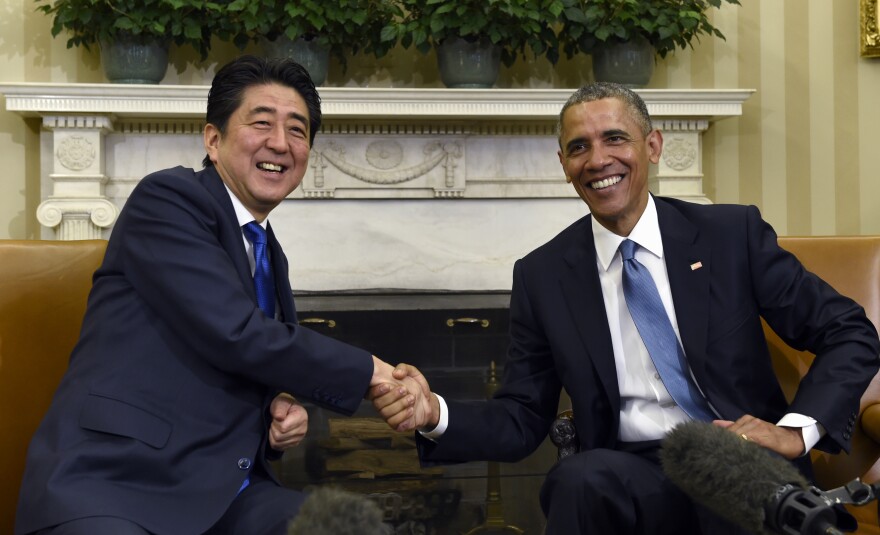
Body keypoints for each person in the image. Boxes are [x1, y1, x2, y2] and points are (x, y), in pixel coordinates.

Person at [371, 82, 880, 534]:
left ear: (653, 146)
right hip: (632, 472)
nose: (597, 160)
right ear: (564, 165)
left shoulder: (731, 237)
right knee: (579, 478)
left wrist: (794, 433)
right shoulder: (543, 276)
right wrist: (432, 411)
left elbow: (850, 332)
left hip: (744, 463)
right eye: (578, 147)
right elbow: (522, 416)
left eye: (615, 138)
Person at [14, 55, 424, 535]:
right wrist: (374, 374)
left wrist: (275, 418)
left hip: (222, 497)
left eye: (298, 130)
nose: (280, 143)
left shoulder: (267, 251)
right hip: (116, 485)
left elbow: (237, 360)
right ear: (213, 139)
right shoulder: (167, 200)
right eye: (261, 122)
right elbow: (236, 334)